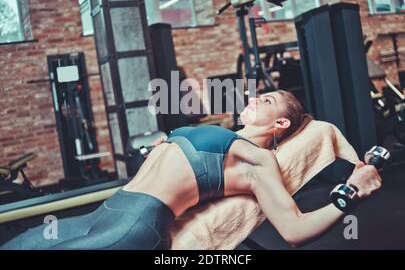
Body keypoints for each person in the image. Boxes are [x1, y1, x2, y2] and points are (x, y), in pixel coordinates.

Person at [1, 90, 381, 250]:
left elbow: (294, 230)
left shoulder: (259, 161)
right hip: (105, 212)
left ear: (281, 125)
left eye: (265, 100)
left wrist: (351, 194)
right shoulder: (226, 133)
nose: (253, 99)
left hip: (133, 224)